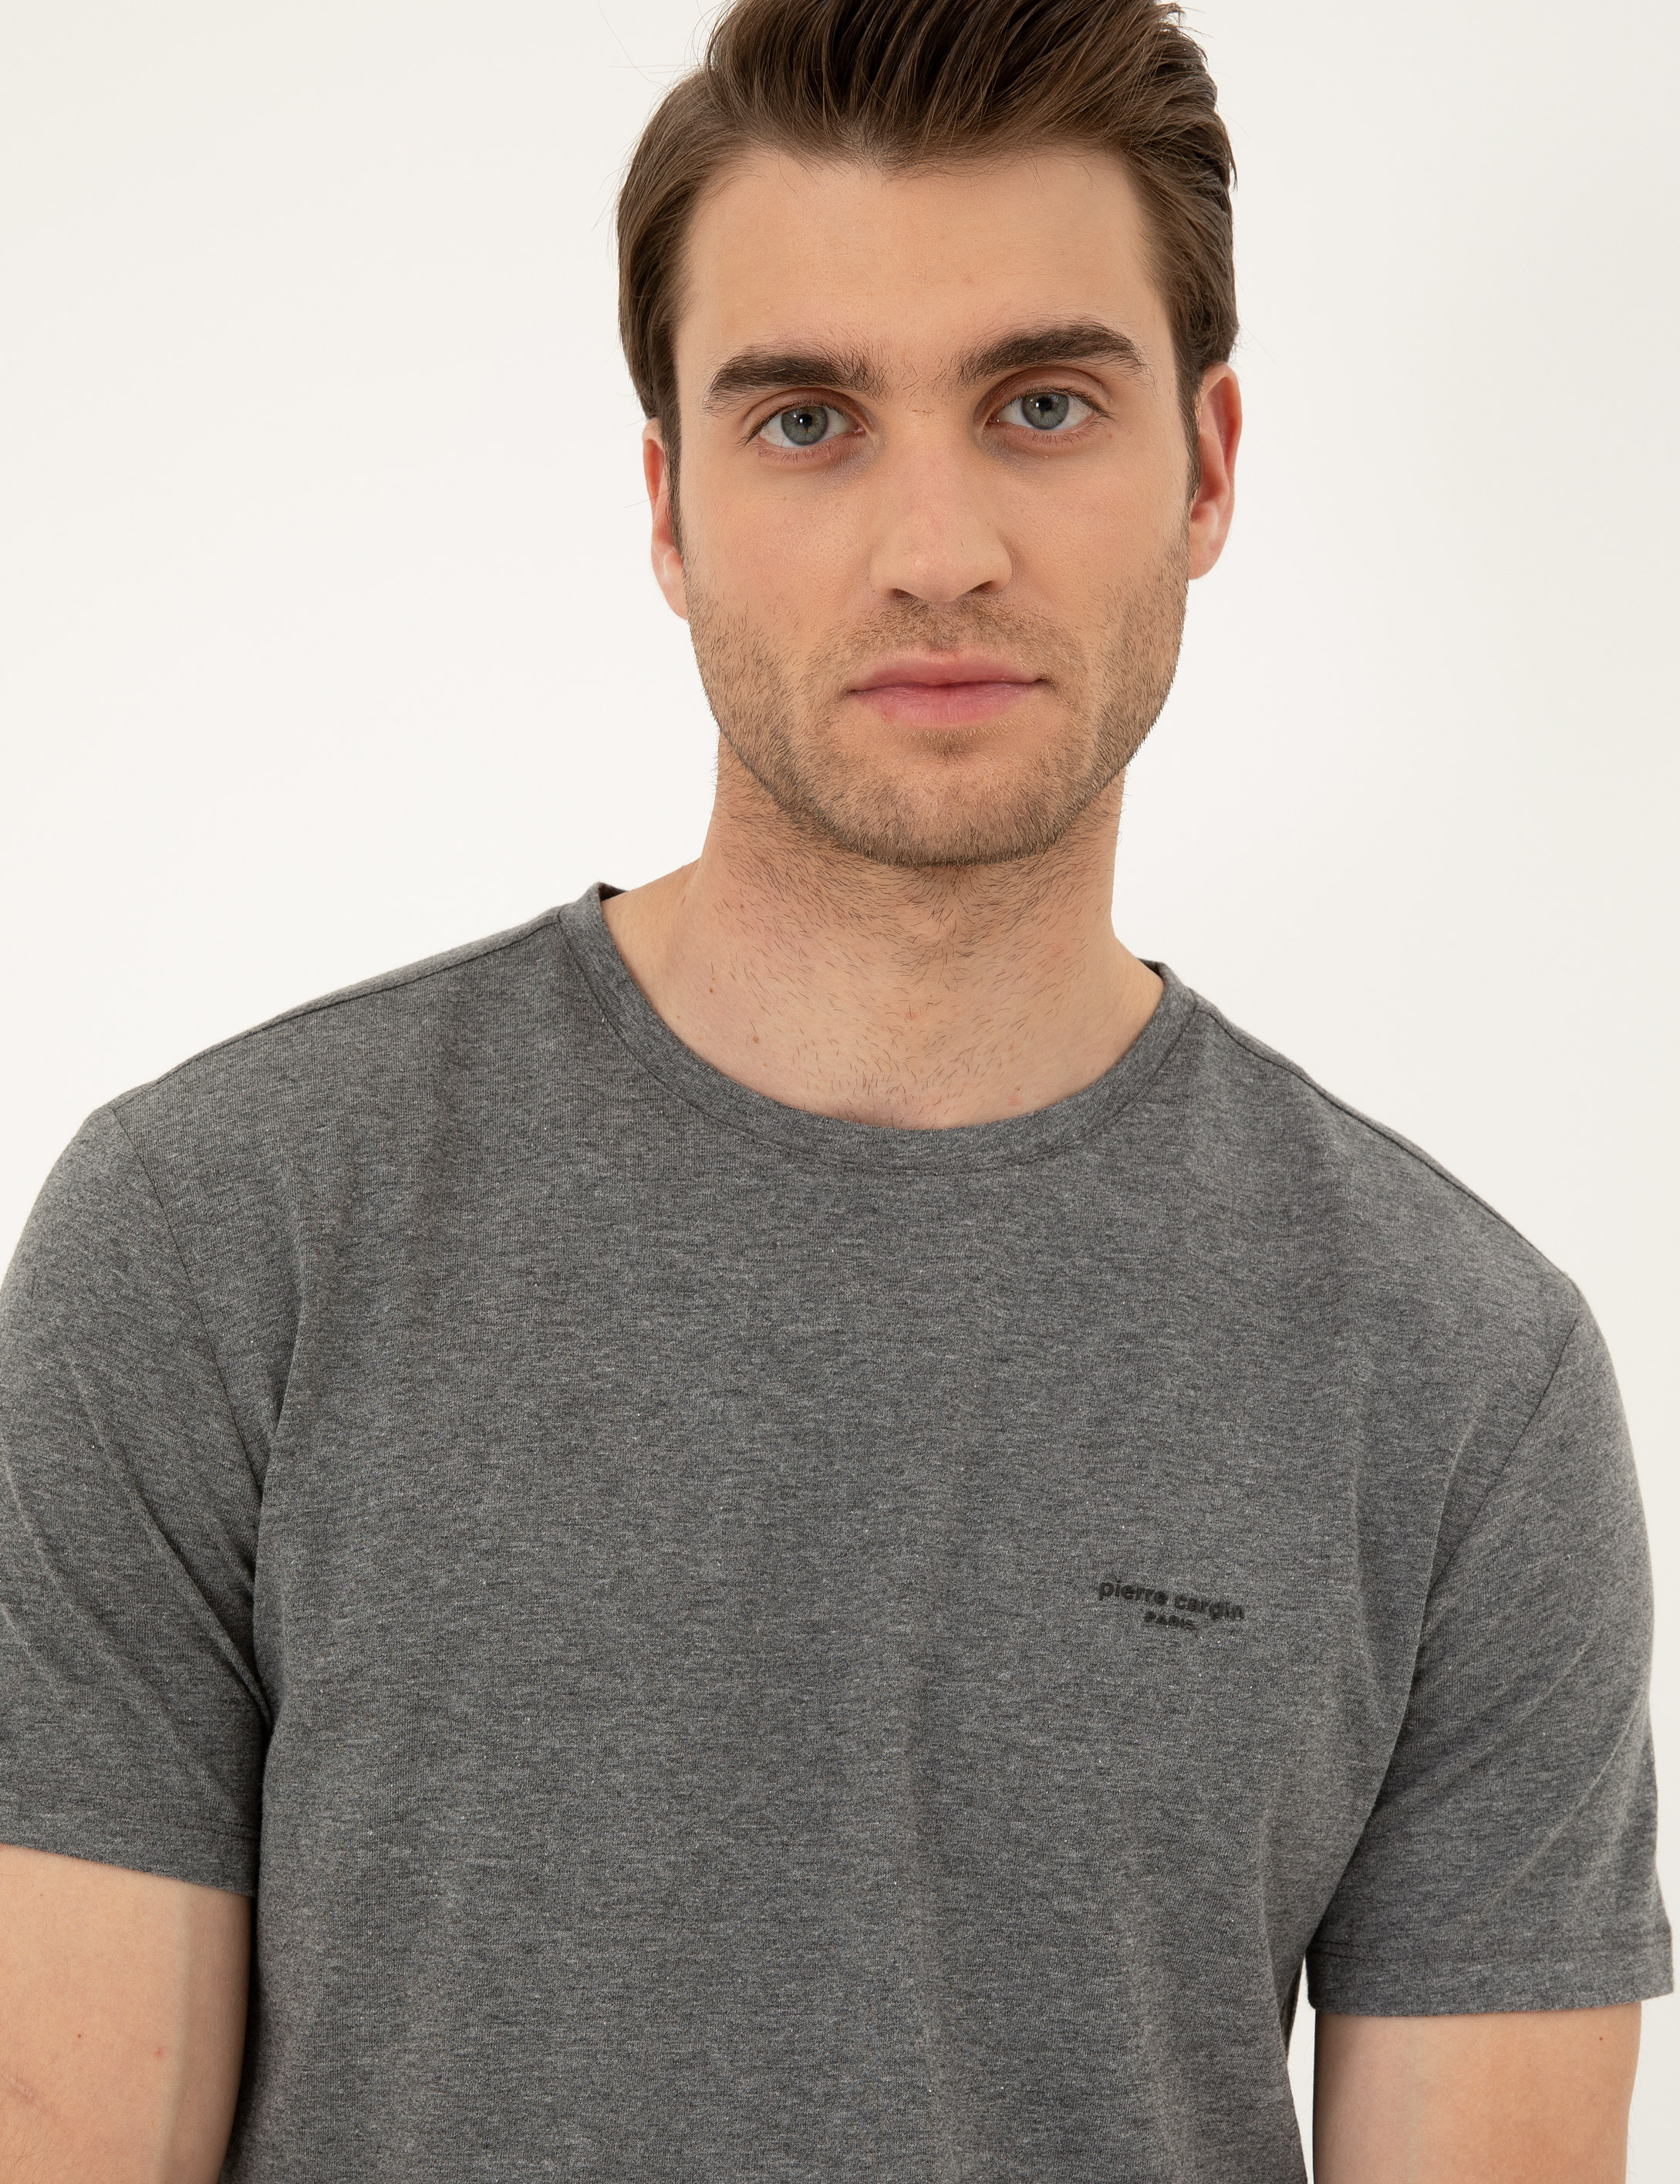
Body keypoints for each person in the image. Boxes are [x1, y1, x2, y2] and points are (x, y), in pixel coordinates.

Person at [0, 0, 1668, 2176]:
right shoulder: (220, 1242)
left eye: (1042, 404)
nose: (936, 547)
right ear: (669, 507)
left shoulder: (1461, 1380)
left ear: (1207, 469)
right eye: (806, 420)